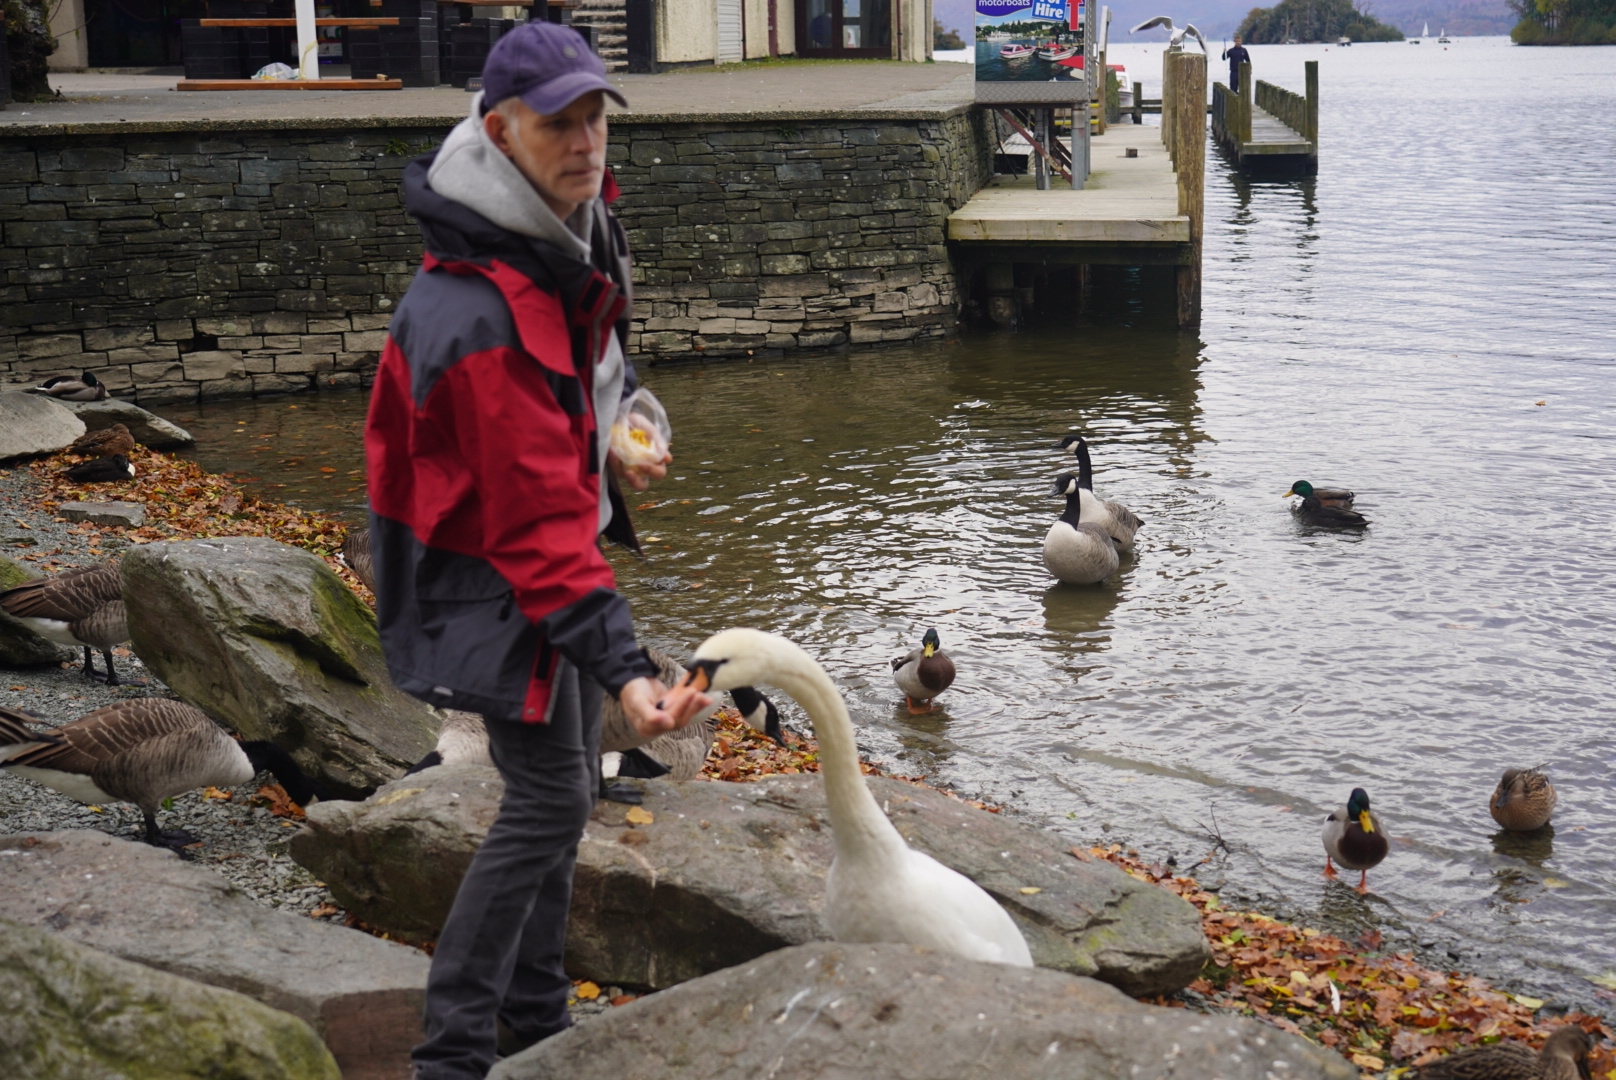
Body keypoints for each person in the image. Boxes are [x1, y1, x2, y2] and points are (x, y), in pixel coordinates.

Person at [362, 22, 712, 1080]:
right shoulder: (476, 312)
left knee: (564, 784)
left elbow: (584, 365)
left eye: (596, 113)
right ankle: (453, 1051)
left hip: (542, 547)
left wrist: (604, 442)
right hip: (484, 568)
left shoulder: (565, 225)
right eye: (558, 121)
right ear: (498, 130)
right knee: (554, 796)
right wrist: (630, 671)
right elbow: (527, 529)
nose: (585, 139)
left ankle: (536, 1010)